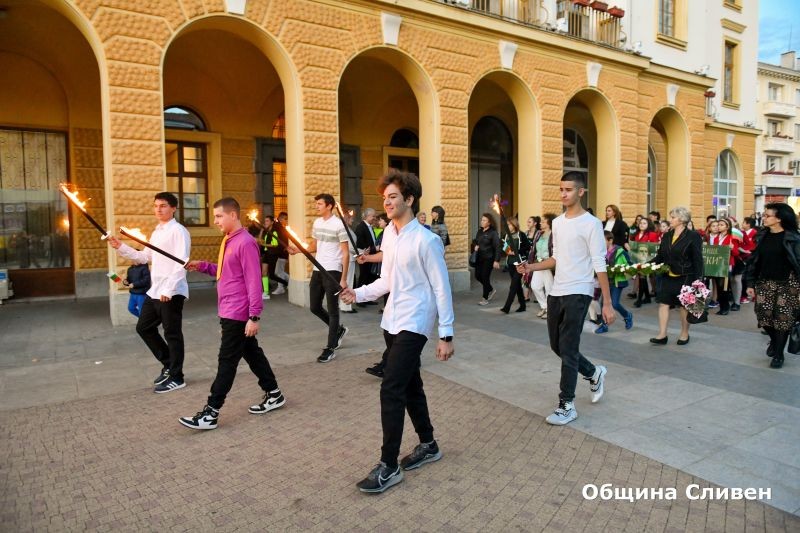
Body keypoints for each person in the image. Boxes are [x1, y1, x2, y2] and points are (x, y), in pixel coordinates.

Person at [340, 169, 454, 494]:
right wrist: (358, 293)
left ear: (410, 199)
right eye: (385, 197)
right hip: (392, 319)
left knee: (391, 388)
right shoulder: (389, 234)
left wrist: (446, 334)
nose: (387, 202)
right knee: (411, 385)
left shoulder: (427, 241)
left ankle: (388, 466)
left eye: (393, 197)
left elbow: (441, 288)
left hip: (415, 322)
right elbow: (387, 280)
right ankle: (429, 444)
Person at [517, 172, 612, 426]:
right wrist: (531, 267)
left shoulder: (592, 224)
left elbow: (599, 263)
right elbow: (556, 258)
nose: (563, 194)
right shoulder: (558, 223)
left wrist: (607, 303)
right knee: (557, 346)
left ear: (581, 192)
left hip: (579, 291)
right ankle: (593, 372)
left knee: (568, 348)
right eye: (561, 189)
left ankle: (566, 404)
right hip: (557, 291)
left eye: (568, 190)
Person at [180, 197, 285, 430]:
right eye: (215, 217)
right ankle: (274, 393)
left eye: (219, 216)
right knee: (252, 353)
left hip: (237, 312)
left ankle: (211, 412)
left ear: (233, 215)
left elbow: (254, 281)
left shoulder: (245, 242)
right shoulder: (228, 239)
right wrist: (202, 265)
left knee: (226, 361)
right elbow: (226, 272)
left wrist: (254, 316)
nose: (216, 221)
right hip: (228, 308)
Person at [107, 192, 191, 393]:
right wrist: (121, 247)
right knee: (144, 327)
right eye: (156, 206)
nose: (158, 209)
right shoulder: (157, 232)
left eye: (163, 206)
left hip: (171, 292)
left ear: (173, 208)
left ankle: (177, 377)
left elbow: (182, 262)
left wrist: (169, 289)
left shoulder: (179, 231)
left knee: (172, 333)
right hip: (155, 291)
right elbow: (144, 257)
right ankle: (169, 364)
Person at [287, 193, 350, 363]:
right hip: (318, 269)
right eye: (317, 204)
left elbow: (345, 253)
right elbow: (314, 245)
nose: (317, 206)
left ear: (329, 206)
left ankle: (330, 348)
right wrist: (298, 250)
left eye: (320, 204)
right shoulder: (317, 223)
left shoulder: (339, 225)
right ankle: (338, 330)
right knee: (314, 307)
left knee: (333, 310)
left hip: (333, 271)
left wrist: (343, 279)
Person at [745, 203, 800, 369]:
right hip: (765, 282)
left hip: (788, 283)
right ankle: (776, 342)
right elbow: (754, 261)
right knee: (764, 317)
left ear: (779, 219)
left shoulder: (794, 238)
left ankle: (778, 354)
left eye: (767, 215)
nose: (764, 218)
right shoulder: (762, 236)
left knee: (783, 319)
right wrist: (750, 283)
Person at [649, 207, 704, 346]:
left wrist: (699, 279)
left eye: (673, 217)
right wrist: (646, 265)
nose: (670, 220)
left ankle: (684, 334)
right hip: (668, 274)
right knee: (663, 303)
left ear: (682, 219)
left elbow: (698, 259)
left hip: (686, 275)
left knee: (684, 306)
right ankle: (662, 335)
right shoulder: (667, 235)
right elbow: (660, 256)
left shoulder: (693, 236)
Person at [594, 231, 634, 334]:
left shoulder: (620, 251)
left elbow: (629, 264)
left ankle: (627, 315)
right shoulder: (600, 253)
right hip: (606, 282)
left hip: (617, 281)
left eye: (602, 241)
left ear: (610, 240)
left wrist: (622, 269)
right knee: (603, 303)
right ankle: (604, 325)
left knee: (615, 303)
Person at [499, 216, 530, 314]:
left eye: (509, 224)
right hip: (510, 263)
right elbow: (503, 245)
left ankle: (507, 307)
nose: (507, 226)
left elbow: (527, 246)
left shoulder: (521, 234)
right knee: (516, 285)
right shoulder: (506, 235)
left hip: (520, 263)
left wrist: (517, 251)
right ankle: (522, 305)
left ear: (514, 225)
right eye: (507, 224)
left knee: (513, 286)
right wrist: (508, 251)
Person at [529, 213, 555, 319]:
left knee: (549, 288)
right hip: (539, 263)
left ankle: (550, 311)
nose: (540, 223)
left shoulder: (554, 235)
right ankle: (544, 306)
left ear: (549, 223)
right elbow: (533, 249)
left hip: (549, 264)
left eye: (543, 221)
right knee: (535, 286)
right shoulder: (539, 234)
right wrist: (531, 262)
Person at [709, 218, 737, 315]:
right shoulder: (716, 238)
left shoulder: (731, 237)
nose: (719, 227)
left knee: (724, 287)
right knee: (719, 287)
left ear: (727, 227)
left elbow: (736, 253)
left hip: (726, 265)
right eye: (718, 225)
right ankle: (723, 307)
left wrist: (732, 248)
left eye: (721, 225)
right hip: (717, 265)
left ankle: (725, 307)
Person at [473, 213, 501, 306]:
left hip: (489, 258)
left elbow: (497, 247)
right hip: (479, 258)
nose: (482, 221)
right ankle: (490, 289)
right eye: (482, 220)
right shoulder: (480, 231)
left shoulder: (493, 233)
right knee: (477, 275)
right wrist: (475, 246)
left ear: (489, 222)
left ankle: (485, 298)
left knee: (485, 277)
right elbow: (476, 241)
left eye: (484, 220)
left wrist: (496, 260)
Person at [631, 218, 659, 308]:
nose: (642, 224)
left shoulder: (652, 234)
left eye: (644, 223)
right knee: (641, 278)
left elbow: (655, 247)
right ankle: (647, 297)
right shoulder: (636, 234)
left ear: (648, 225)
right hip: (639, 259)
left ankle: (639, 299)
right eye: (641, 223)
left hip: (648, 259)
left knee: (642, 277)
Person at [261, 215, 288, 297]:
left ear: (272, 222)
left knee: (272, 275)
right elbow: (260, 240)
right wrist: (262, 230)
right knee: (264, 272)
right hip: (266, 253)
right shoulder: (266, 231)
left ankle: (286, 283)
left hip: (272, 254)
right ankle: (266, 292)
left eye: (267, 221)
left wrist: (264, 244)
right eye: (265, 221)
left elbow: (275, 244)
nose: (265, 222)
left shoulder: (274, 231)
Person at [340, 209, 359, 314]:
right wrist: (361, 252)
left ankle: (343, 304)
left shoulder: (347, 229)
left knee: (347, 280)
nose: (353, 220)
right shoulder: (345, 230)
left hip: (350, 258)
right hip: (349, 258)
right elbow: (350, 247)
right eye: (351, 218)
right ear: (346, 219)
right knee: (348, 281)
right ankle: (346, 306)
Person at [355, 208, 378, 290]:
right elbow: (360, 245)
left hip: (371, 257)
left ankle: (367, 296)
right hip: (364, 257)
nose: (375, 218)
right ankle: (360, 296)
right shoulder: (360, 227)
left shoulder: (370, 227)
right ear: (367, 216)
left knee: (368, 279)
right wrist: (374, 249)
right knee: (364, 278)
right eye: (373, 216)